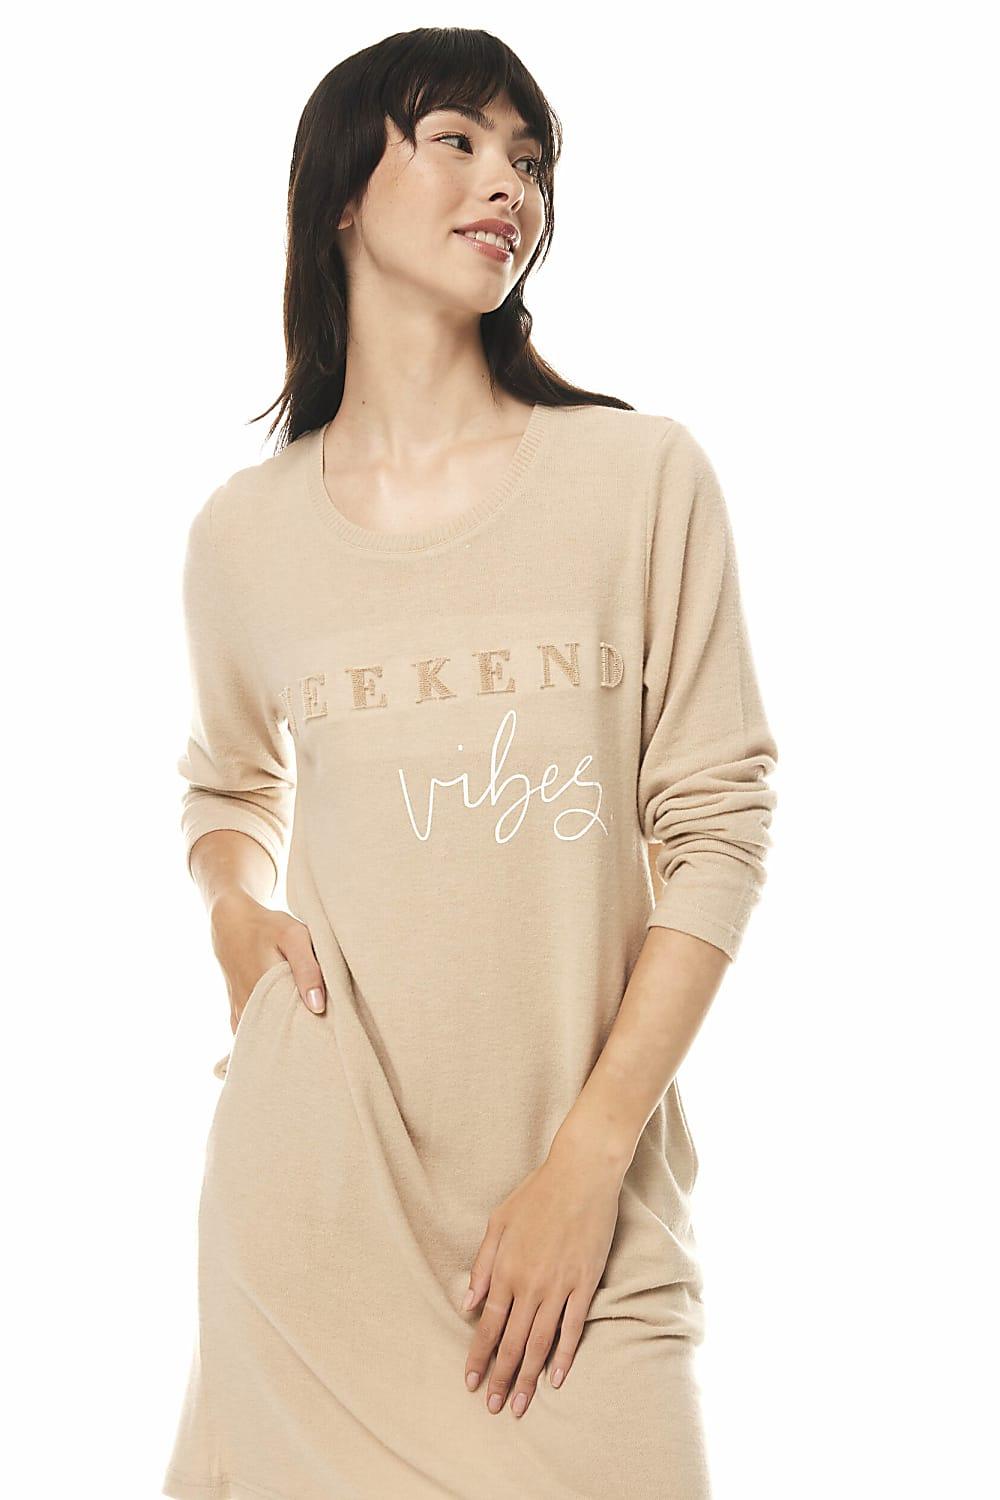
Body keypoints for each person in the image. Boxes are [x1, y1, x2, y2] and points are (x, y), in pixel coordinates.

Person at [161, 26, 778, 1500]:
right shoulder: (244, 534)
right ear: (341, 192)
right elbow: (227, 784)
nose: (510, 183)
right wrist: (233, 907)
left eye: (529, 158)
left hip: (582, 1232)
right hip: (312, 1224)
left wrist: (587, 1165)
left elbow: (718, 825)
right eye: (457, 140)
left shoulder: (640, 479)